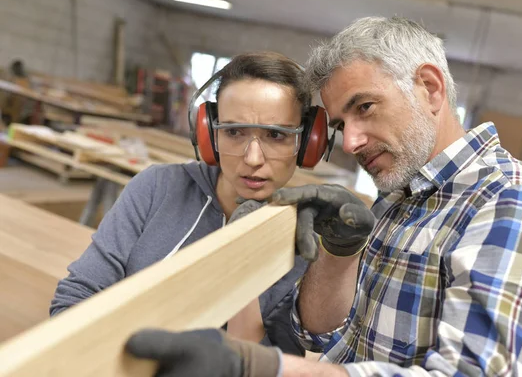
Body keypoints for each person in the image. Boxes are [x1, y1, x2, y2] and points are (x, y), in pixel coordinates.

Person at [125, 16, 522, 376]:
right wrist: (339, 255)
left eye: (365, 107)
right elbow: (322, 333)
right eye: (343, 124)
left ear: (429, 88)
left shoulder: (514, 203)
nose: (350, 143)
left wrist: (267, 367)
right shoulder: (399, 197)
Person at [50, 51, 332, 356]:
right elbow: (76, 297)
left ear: (306, 144)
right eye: (234, 132)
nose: (253, 159)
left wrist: (243, 260)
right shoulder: (158, 187)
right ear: (209, 135)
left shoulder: (303, 237)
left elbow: (262, 362)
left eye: (276, 135)